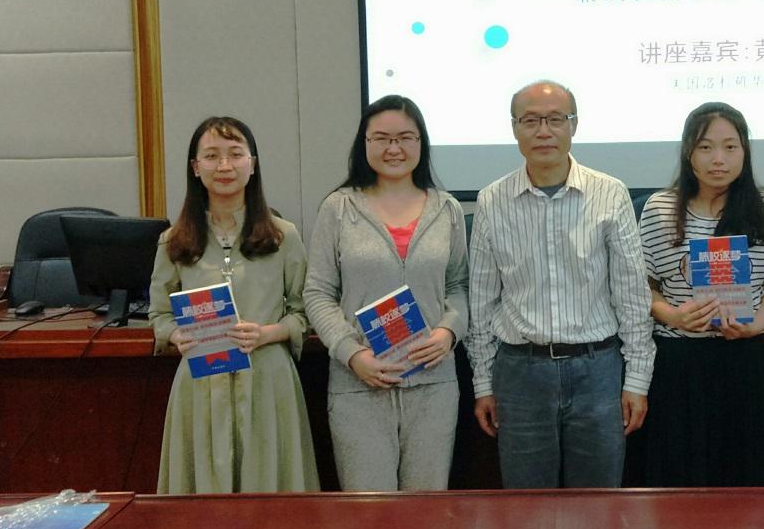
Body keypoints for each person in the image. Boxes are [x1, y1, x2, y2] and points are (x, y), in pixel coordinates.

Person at [466, 79, 655, 488]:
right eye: (530, 120)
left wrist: (637, 380)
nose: (543, 131)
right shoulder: (491, 201)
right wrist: (482, 383)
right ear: (514, 128)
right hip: (520, 373)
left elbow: (631, 296)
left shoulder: (610, 194)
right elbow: (481, 302)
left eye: (555, 119)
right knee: (527, 505)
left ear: (574, 125)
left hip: (598, 369)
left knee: (597, 503)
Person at [303, 96, 468, 491]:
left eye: (405, 138)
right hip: (359, 382)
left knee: (425, 507)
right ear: (364, 143)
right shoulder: (339, 208)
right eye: (381, 138)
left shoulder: (447, 210)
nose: (394, 148)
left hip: (432, 382)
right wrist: (352, 354)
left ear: (421, 143)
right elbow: (318, 292)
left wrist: (448, 332)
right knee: (369, 511)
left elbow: (459, 286)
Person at [149, 116, 319, 494]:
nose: (224, 165)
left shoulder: (283, 236)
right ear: (195, 168)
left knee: (269, 496)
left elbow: (304, 311)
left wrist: (267, 333)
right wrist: (175, 334)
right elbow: (158, 313)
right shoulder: (173, 240)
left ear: (252, 164)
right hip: (201, 381)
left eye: (235, 154)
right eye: (212, 156)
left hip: (267, 380)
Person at [637, 102, 764, 486]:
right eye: (705, 147)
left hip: (744, 359)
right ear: (688, 152)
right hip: (678, 362)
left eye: (730, 146)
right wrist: (673, 315)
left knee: (746, 477)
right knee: (680, 477)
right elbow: (643, 289)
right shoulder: (659, 208)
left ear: (745, 151)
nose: (718, 158)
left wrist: (756, 325)